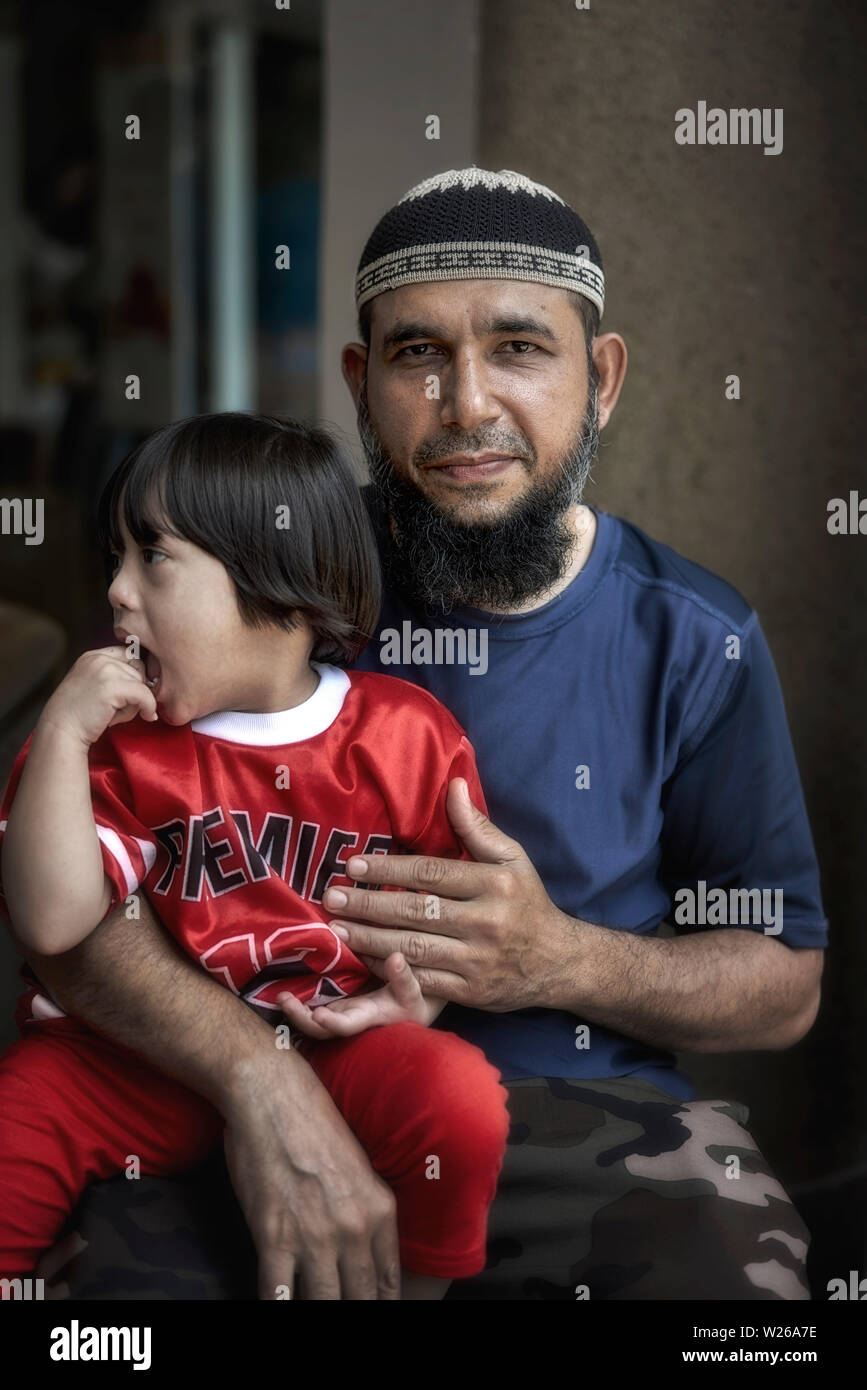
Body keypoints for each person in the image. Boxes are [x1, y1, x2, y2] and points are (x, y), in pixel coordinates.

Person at [14, 168, 826, 1301]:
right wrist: (256, 1072)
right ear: (361, 381)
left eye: (519, 349)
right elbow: (71, 896)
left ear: (601, 379)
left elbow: (786, 983)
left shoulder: (695, 638)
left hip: (582, 1124)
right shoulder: (251, 573)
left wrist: (556, 955)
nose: (467, 405)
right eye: (416, 356)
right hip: (215, 1097)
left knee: (750, 1302)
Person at [0, 411, 511, 1300]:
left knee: (458, 1097)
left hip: (333, 1058)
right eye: (115, 557)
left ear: (279, 587)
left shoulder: (405, 735)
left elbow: (454, 919)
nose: (117, 590)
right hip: (127, 1064)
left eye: (152, 557)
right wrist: (60, 735)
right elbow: (51, 920)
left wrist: (412, 1003)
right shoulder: (116, 744)